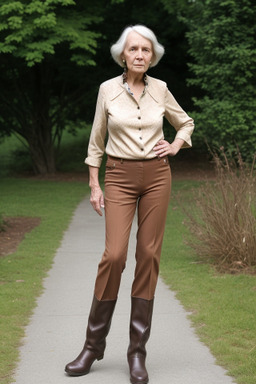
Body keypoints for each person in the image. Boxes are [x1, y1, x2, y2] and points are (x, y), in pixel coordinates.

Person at [65, 25, 194, 384]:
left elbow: (185, 122)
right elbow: (96, 141)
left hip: (157, 177)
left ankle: (137, 352)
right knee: (115, 255)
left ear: (152, 57)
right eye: (134, 49)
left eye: (146, 50)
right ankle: (93, 347)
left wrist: (175, 144)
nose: (140, 55)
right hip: (119, 176)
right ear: (123, 54)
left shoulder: (161, 89)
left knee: (149, 255)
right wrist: (94, 184)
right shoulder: (107, 89)